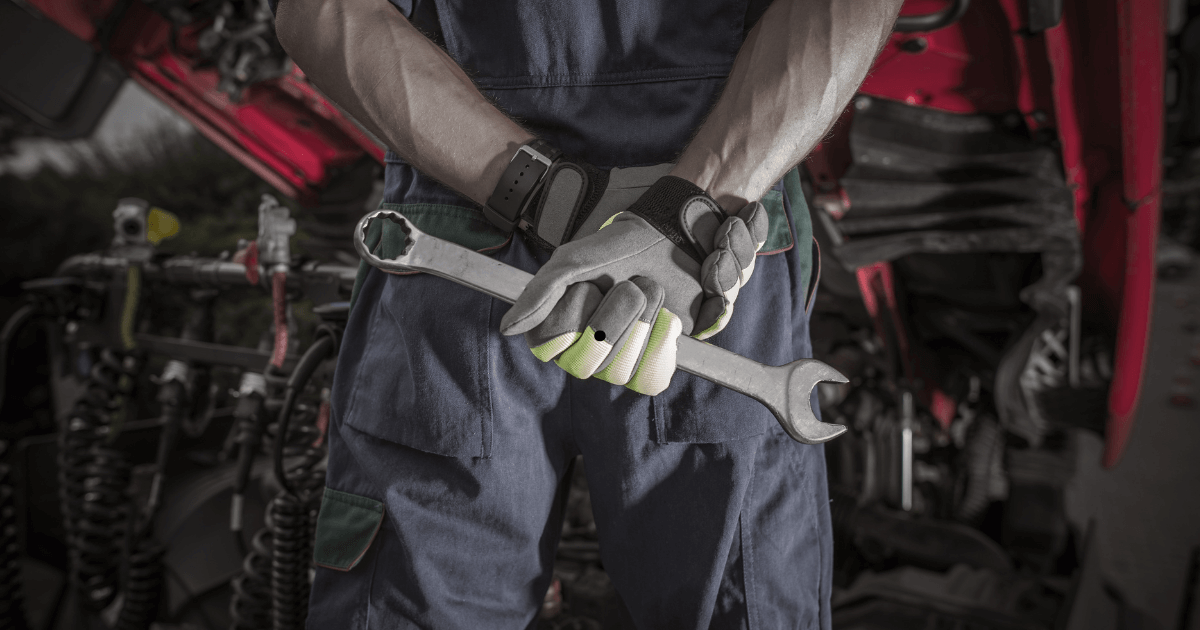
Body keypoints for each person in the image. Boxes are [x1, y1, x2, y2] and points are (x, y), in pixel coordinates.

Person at [275, 0, 902, 626]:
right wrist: (680, 213)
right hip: (706, 257)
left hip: (474, 245)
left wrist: (560, 200)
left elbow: (326, 13)